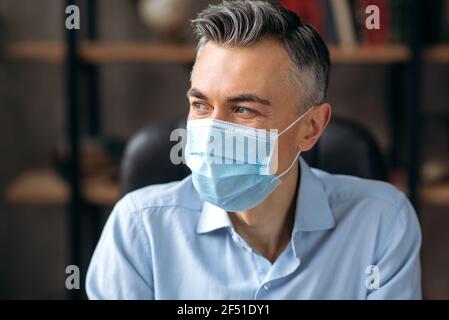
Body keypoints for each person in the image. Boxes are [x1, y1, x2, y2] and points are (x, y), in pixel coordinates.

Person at [86, 0, 421, 299]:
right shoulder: (138, 229)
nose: (213, 132)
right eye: (201, 105)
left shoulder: (381, 221)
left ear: (311, 127)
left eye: (244, 109)